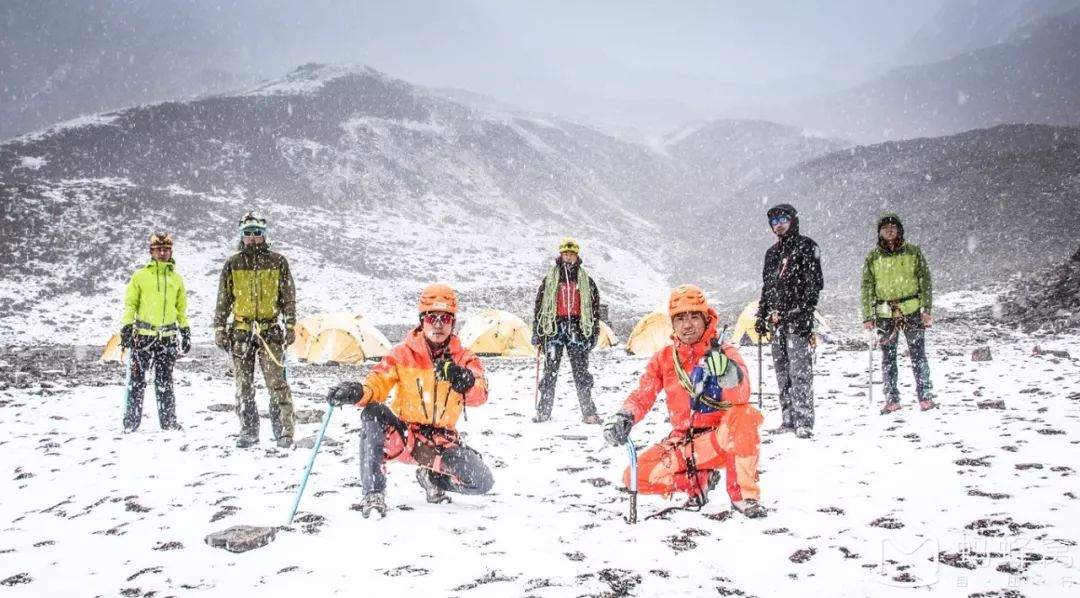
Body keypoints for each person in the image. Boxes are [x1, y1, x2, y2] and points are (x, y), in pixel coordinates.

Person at [326, 284, 493, 518]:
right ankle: (373, 493)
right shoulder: (400, 354)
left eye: (445, 318)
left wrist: (463, 381)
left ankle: (433, 478)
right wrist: (357, 392)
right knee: (373, 412)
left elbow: (480, 394)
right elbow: (376, 384)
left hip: (441, 441)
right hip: (404, 437)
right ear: (421, 320)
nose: (438, 324)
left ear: (453, 322)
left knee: (482, 482)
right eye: (431, 318)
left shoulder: (465, 358)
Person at [602, 284, 768, 518]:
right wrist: (624, 415)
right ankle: (699, 481)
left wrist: (728, 374)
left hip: (721, 440)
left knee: (744, 415)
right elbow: (643, 393)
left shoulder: (726, 353)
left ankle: (743, 496)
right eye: (680, 318)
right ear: (672, 323)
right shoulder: (665, 358)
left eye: (693, 317)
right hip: (684, 442)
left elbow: (742, 395)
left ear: (706, 318)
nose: (687, 325)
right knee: (634, 477)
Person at [212, 211, 297, 449]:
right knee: (244, 385)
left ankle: (284, 432)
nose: (252, 238)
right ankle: (248, 431)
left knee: (277, 383)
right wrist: (219, 326)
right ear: (242, 235)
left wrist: (290, 324)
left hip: (270, 331)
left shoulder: (278, 262)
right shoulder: (233, 264)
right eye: (247, 234)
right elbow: (224, 299)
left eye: (256, 233)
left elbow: (288, 297)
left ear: (264, 235)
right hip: (241, 331)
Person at [754, 204, 823, 439]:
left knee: (800, 371)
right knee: (782, 371)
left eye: (783, 219)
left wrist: (802, 311)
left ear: (793, 220)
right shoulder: (771, 254)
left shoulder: (807, 246)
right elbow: (768, 287)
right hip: (776, 322)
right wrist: (761, 315)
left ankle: (804, 420)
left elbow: (815, 284)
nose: (779, 224)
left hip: (797, 321)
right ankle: (788, 418)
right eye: (774, 222)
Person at [861, 212, 936, 414]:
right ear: (880, 232)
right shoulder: (873, 257)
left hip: (912, 310)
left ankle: (925, 396)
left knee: (918, 355)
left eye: (893, 227)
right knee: (888, 357)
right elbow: (867, 287)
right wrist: (867, 316)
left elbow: (925, 281)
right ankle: (892, 399)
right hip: (885, 312)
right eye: (885, 227)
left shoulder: (913, 252)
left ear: (899, 230)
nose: (889, 230)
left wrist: (926, 309)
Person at [119, 232, 190, 432]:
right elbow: (130, 304)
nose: (162, 253)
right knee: (136, 382)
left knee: (165, 382)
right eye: (158, 249)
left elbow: (181, 308)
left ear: (171, 251)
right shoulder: (139, 276)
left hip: (167, 337)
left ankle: (169, 423)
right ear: (151, 252)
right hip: (142, 337)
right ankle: (131, 423)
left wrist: (185, 330)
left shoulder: (176, 279)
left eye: (166, 249)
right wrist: (126, 326)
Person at [531, 237, 602, 424]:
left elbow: (595, 308)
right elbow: (539, 307)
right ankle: (544, 412)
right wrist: (537, 332)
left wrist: (594, 331)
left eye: (571, 254)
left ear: (576, 255)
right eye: (565, 254)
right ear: (560, 255)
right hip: (554, 329)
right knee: (550, 372)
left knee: (581, 373)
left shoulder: (586, 280)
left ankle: (588, 413)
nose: (568, 257)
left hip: (577, 330)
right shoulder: (551, 279)